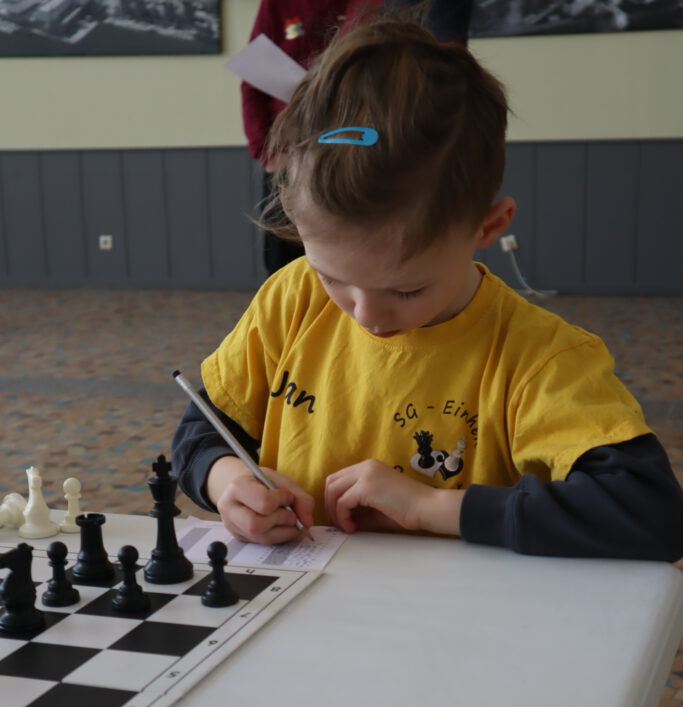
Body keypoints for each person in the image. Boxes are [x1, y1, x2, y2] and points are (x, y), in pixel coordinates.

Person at [173, 14, 683, 560]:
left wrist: (434, 507)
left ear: (487, 227)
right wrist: (229, 483)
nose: (367, 315)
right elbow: (201, 434)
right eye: (334, 278)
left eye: (407, 290)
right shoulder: (290, 300)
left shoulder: (538, 358)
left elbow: (652, 514)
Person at [241, 0, 380, 276]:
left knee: (349, 252)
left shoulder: (369, 5)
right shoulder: (276, 5)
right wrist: (266, 152)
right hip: (287, 156)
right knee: (283, 255)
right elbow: (252, 82)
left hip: (352, 153)